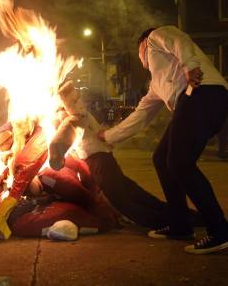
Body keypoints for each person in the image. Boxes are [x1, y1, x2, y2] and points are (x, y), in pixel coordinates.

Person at [98, 25, 228, 254]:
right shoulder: (157, 84)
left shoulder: (154, 37)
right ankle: (180, 224)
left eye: (138, 52)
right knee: (161, 159)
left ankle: (220, 230)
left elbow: (179, 39)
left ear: (142, 44)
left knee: (180, 164)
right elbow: (141, 115)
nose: (140, 58)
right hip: (192, 102)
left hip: (202, 93)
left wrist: (190, 65)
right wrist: (109, 136)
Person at [49, 80, 203, 231]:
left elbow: (62, 137)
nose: (78, 102)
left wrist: (56, 155)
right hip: (107, 160)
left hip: (100, 164)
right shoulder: (85, 115)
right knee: (137, 195)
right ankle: (191, 217)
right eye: (74, 100)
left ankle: (164, 223)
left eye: (76, 98)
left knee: (124, 204)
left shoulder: (75, 119)